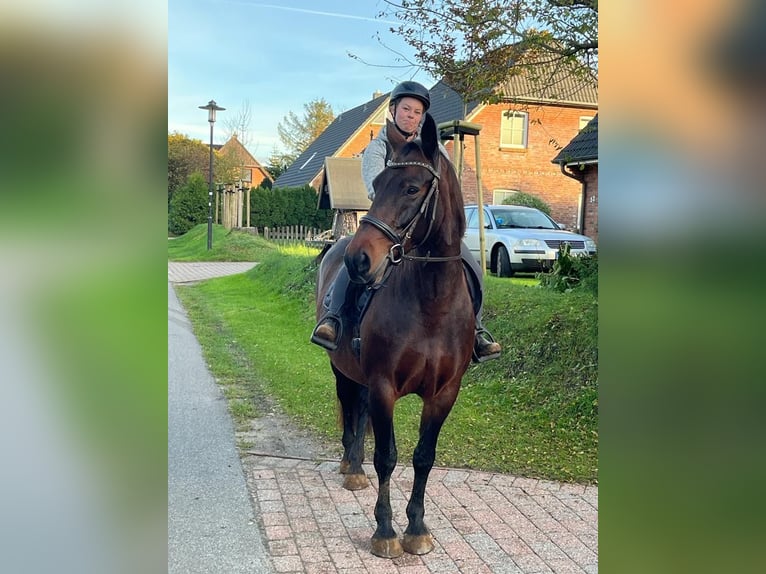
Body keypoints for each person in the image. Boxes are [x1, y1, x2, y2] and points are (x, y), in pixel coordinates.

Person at [311, 81, 502, 362]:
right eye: (406, 109)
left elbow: (447, 187)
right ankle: (334, 318)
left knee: (470, 264)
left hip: (426, 227)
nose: (411, 116)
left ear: (422, 117)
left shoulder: (435, 149)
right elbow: (375, 187)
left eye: (416, 111)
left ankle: (476, 330)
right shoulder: (378, 148)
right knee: (349, 254)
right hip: (387, 222)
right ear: (393, 110)